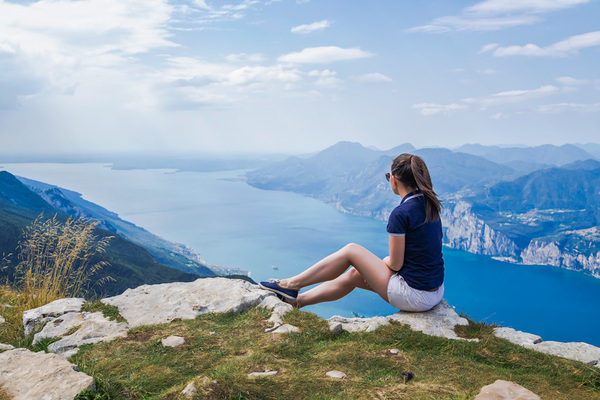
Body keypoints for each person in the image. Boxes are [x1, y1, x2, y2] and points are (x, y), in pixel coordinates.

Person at [259, 153, 444, 312]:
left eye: (388, 176)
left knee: (351, 251)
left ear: (394, 180)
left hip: (414, 296)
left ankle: (289, 285)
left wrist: (384, 262)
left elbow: (395, 264)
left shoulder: (401, 213)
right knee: (355, 274)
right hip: (434, 292)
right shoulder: (430, 205)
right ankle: (296, 303)